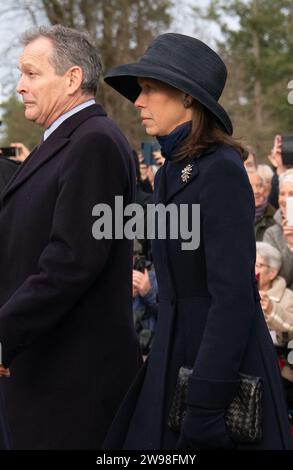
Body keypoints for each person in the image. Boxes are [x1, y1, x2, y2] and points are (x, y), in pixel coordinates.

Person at [104, 33, 293, 449]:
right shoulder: (174, 170)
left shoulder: (220, 170)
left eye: (150, 88)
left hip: (217, 368)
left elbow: (231, 297)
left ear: (188, 97)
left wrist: (205, 402)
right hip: (173, 357)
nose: (138, 101)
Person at [0, 25, 141, 449]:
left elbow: (72, 259)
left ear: (72, 78)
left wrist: (5, 331)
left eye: (31, 74)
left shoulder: (93, 142)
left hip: (71, 381)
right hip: (45, 372)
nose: (20, 87)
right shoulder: (63, 141)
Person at [247, 171, 275, 241]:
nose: (256, 191)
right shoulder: (233, 216)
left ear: (265, 189)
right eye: (250, 186)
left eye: (259, 186)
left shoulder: (275, 217)